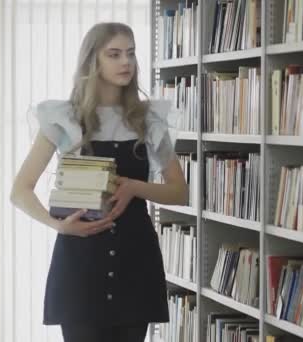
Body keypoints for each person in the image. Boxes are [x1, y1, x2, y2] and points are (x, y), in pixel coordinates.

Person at [10, 22, 187, 342]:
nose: (126, 63)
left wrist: (135, 187)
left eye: (131, 54)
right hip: (81, 264)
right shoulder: (63, 117)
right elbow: (20, 190)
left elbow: (179, 191)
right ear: (93, 61)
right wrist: (59, 226)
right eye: (114, 54)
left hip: (136, 261)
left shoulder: (148, 119)